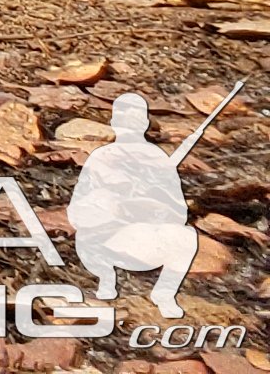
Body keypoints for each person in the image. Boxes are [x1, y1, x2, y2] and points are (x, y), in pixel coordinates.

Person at [70, 92, 202, 316]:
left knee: (186, 236)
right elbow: (77, 211)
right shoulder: (101, 157)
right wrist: (114, 206)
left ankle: (164, 294)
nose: (129, 124)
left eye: (135, 117)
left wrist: (155, 202)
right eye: (123, 117)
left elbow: (179, 213)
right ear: (113, 123)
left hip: (144, 237)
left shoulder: (158, 158)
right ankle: (106, 279)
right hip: (105, 239)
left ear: (145, 123)